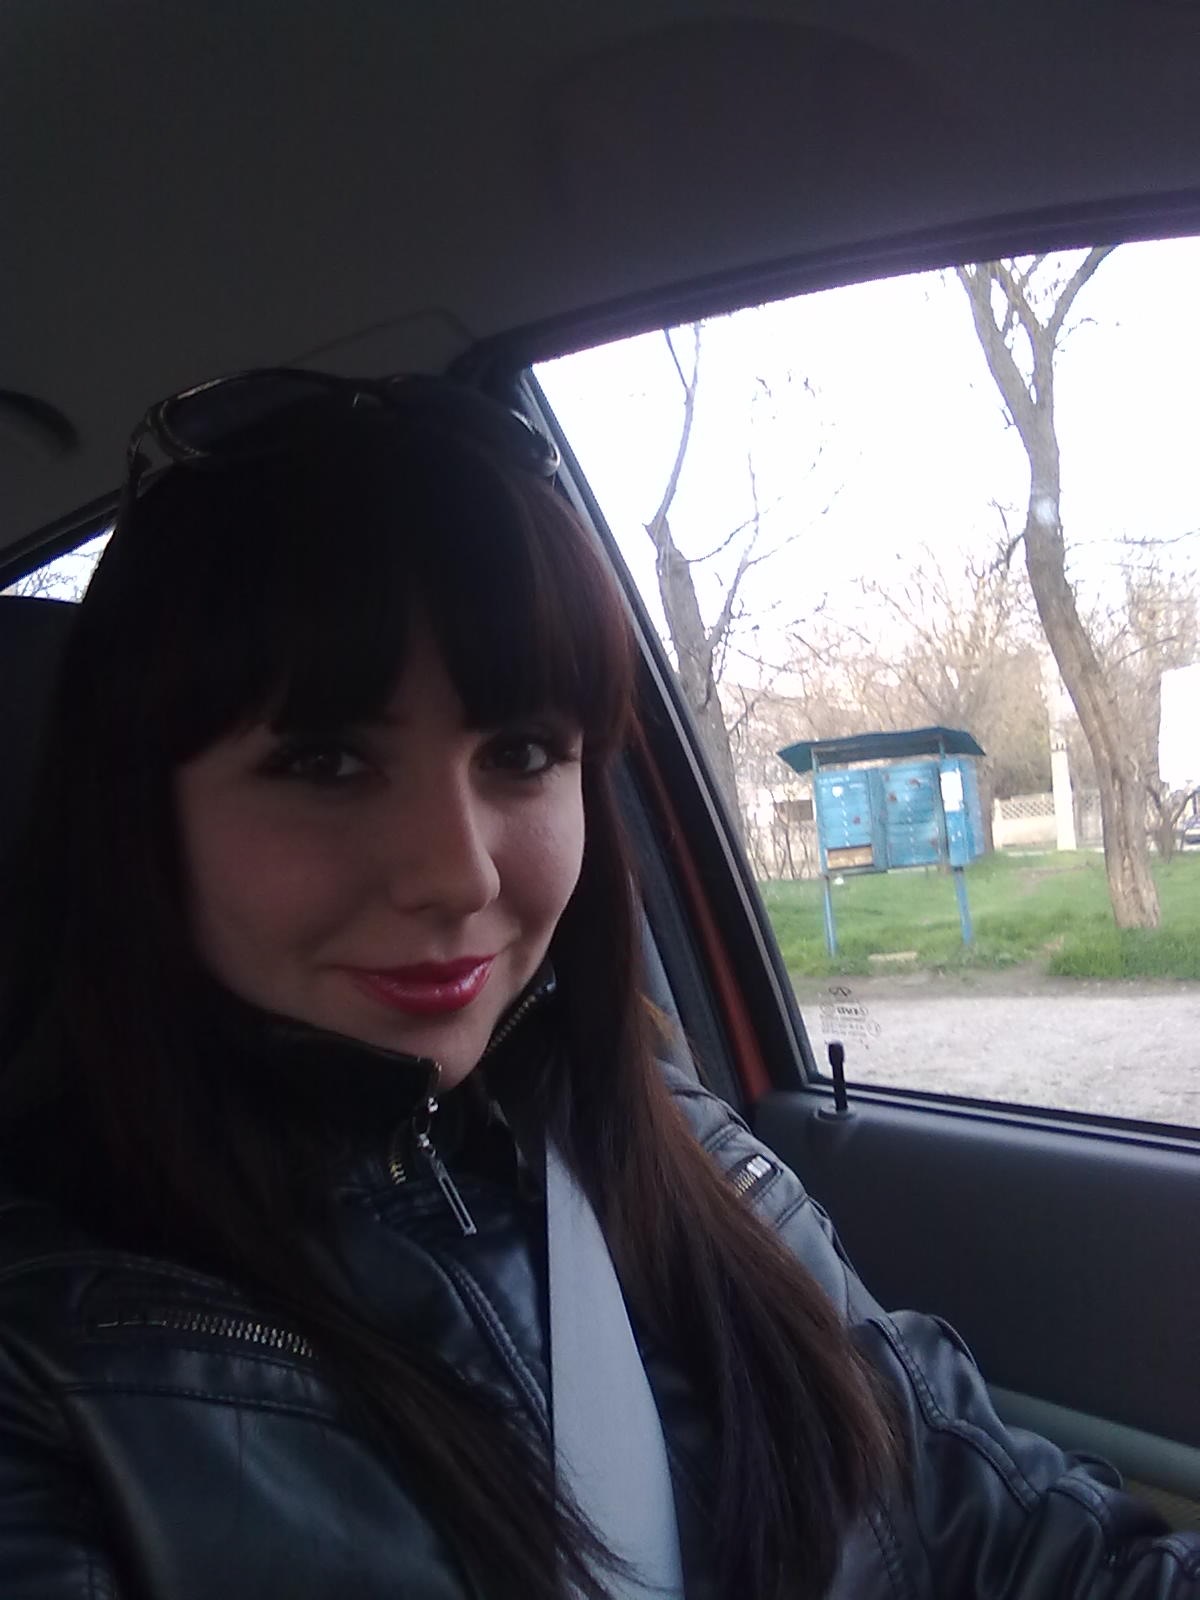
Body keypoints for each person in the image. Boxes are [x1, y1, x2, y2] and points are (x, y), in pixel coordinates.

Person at [0, 371, 1194, 1600]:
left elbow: (1024, 1536)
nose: (459, 873)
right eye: (324, 761)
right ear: (138, 813)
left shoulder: (684, 1150)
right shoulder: (50, 1367)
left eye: (521, 752)